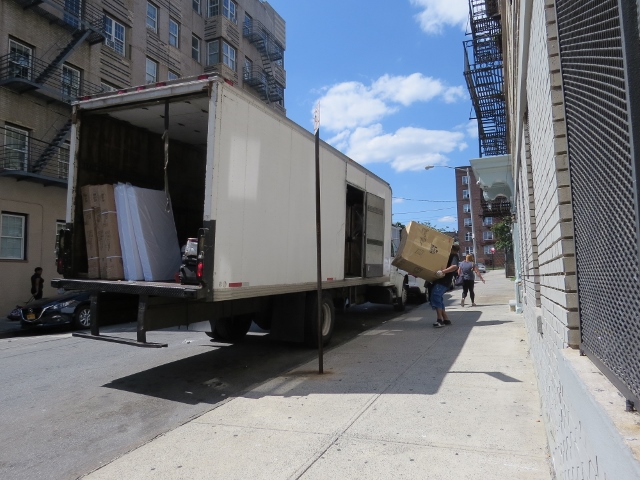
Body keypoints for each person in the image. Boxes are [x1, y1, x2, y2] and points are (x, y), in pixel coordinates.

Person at [431, 244, 460, 328]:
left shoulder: (454, 255)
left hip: (443, 281)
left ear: (452, 249)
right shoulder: (448, 256)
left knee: (436, 297)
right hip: (441, 281)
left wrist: (443, 271)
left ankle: (439, 320)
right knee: (438, 298)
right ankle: (446, 319)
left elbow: (454, 266)